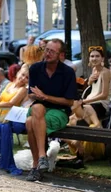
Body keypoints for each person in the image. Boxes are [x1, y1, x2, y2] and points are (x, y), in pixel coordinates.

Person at [25, 38, 77, 182]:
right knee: (37, 107)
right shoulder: (35, 68)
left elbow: (69, 101)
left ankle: (36, 166)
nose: (48, 54)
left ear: (60, 55)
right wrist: (38, 97)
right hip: (38, 108)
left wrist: (45, 97)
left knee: (30, 123)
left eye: (52, 52)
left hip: (59, 111)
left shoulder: (68, 72)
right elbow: (30, 94)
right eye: (46, 50)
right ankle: (42, 157)